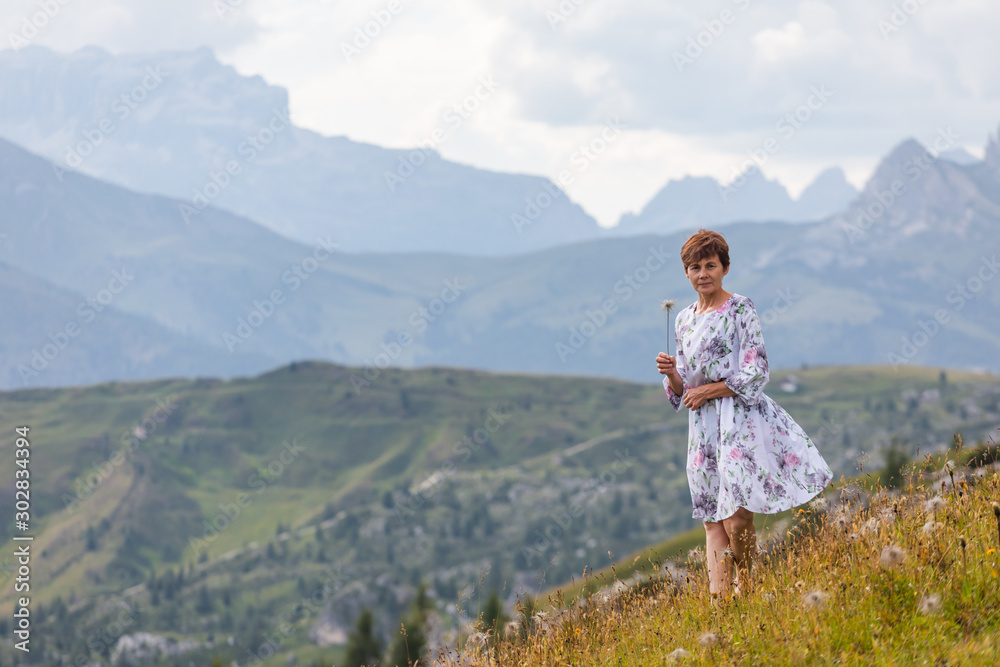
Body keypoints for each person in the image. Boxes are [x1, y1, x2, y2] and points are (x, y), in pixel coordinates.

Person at [655, 228, 833, 599]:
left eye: (710, 265)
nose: (703, 274)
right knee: (712, 519)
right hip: (702, 429)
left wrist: (711, 390)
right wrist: (672, 373)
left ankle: (747, 585)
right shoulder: (683, 319)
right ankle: (721, 605)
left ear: (725, 268)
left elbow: (758, 369)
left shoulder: (740, 307)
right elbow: (684, 390)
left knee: (738, 516)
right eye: (695, 267)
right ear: (686, 274)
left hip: (740, 421)